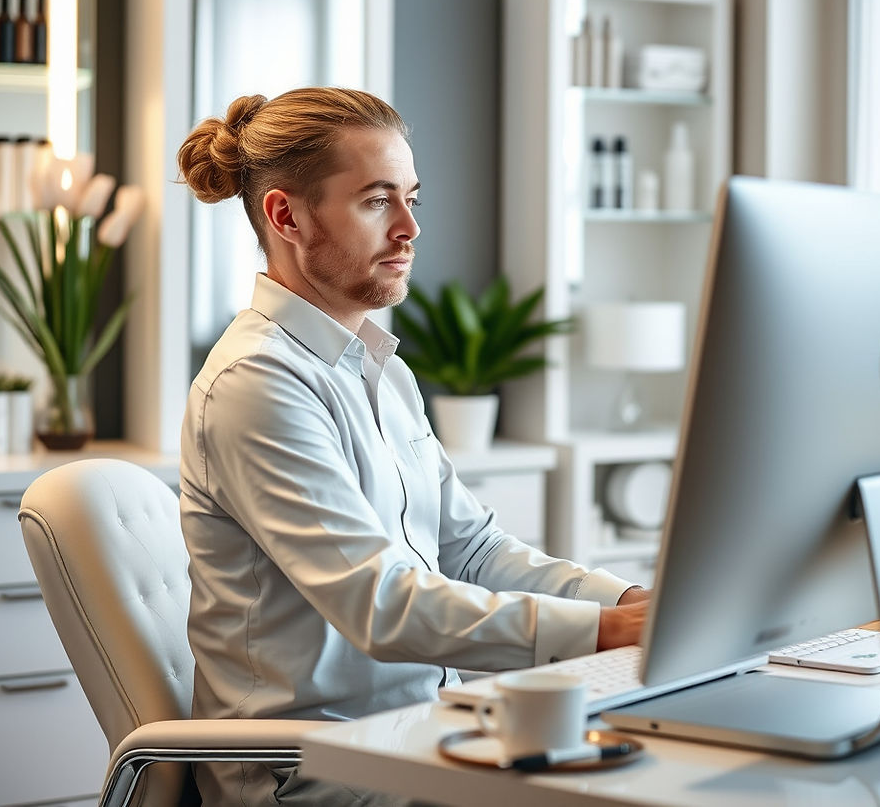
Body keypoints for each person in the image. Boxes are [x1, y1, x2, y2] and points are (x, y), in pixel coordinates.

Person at [177, 86, 650, 805]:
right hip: (317, 773)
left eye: (412, 199)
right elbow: (380, 602)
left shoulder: (381, 368)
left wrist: (629, 600)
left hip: (416, 737)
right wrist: (606, 631)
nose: (409, 228)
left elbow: (474, 551)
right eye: (376, 201)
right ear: (287, 216)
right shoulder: (256, 383)